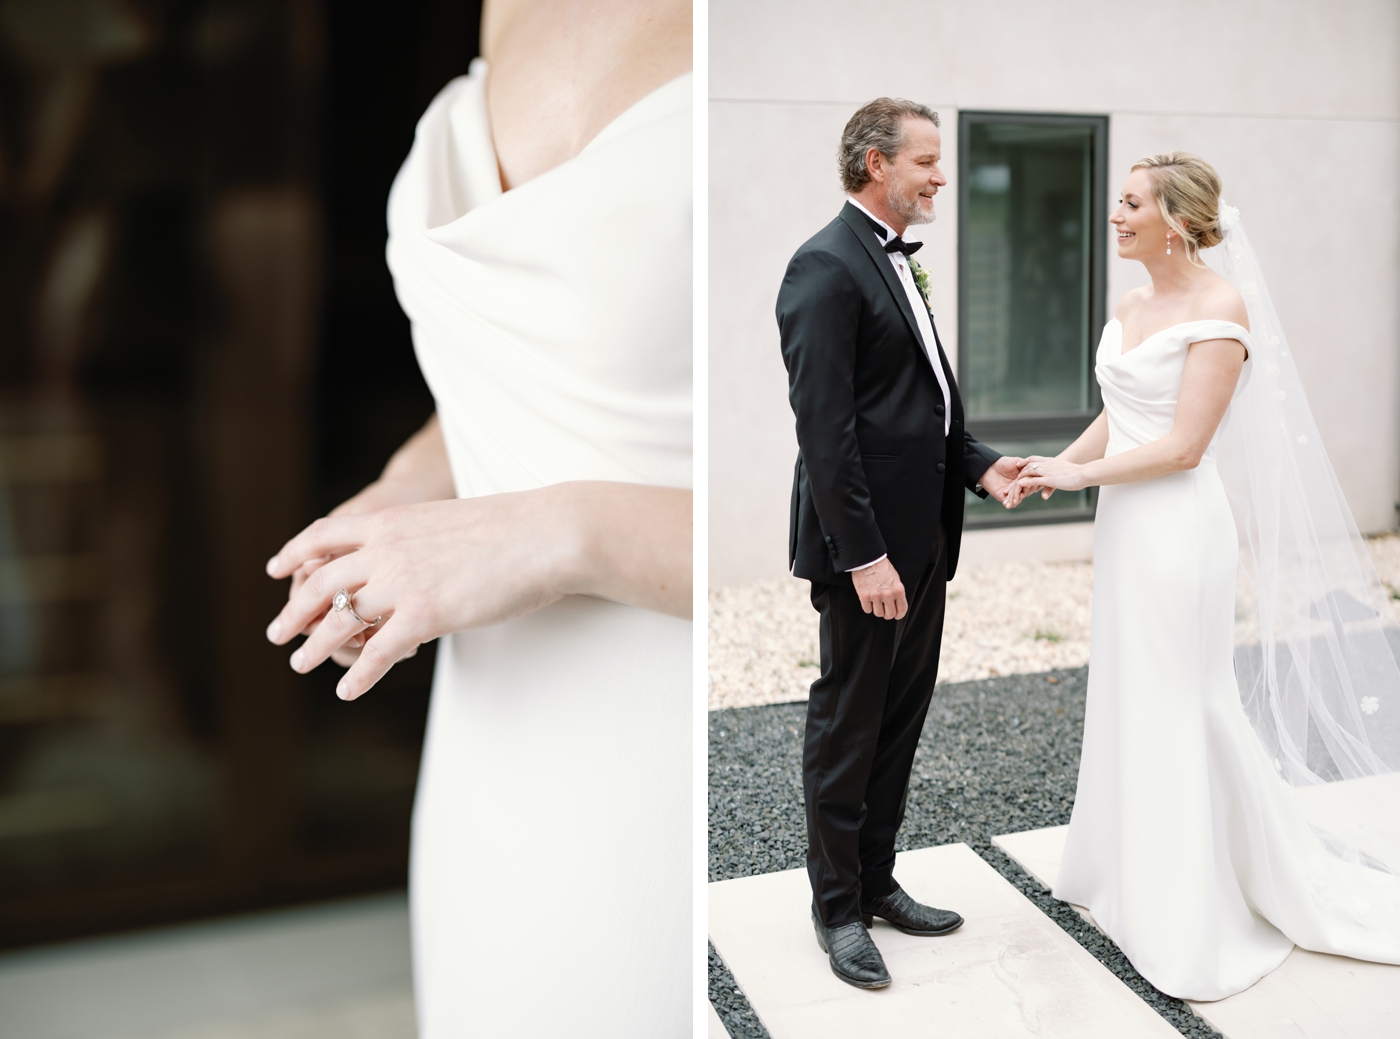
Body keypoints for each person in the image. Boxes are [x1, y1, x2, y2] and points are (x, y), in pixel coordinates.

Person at [263, 1, 693, 1033]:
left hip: (675, 746)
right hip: (492, 747)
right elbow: (534, 377)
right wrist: (408, 488)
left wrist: (555, 532)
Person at [1011, 152, 1400, 1000]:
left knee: (1185, 697)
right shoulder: (1131, 304)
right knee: (1128, 690)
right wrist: (1054, 463)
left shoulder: (1222, 307)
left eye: (1130, 204)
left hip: (1180, 527)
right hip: (1126, 526)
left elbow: (1185, 445)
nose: (1114, 215)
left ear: (1177, 220)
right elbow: (1124, 410)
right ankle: (1127, 872)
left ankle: (1195, 902)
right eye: (1118, 201)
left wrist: (1079, 479)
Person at [775, 97, 1024, 990]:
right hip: (868, 553)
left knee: (899, 720)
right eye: (926, 159)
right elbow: (827, 434)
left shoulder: (896, 265)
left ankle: (877, 881)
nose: (940, 176)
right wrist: (865, 555)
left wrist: (984, 467)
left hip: (926, 541)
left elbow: (920, 405)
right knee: (848, 724)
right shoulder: (824, 267)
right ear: (876, 163)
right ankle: (836, 909)